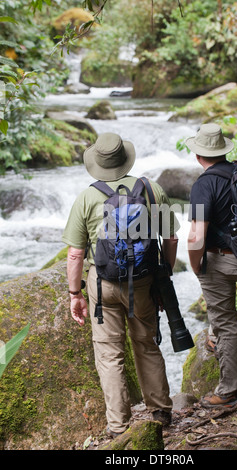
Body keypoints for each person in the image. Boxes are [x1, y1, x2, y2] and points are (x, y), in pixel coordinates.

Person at [62, 132, 178, 437]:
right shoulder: (150, 189)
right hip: (142, 281)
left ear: (97, 164)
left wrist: (75, 294)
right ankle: (160, 410)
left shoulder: (87, 197)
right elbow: (171, 237)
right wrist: (162, 274)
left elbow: (75, 253)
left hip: (102, 285)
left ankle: (119, 426)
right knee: (146, 343)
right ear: (125, 159)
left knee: (109, 353)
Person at [186, 123, 237, 408]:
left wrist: (196, 266)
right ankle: (215, 337)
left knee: (227, 322)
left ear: (198, 156)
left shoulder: (204, 184)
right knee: (223, 314)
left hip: (222, 260)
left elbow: (196, 236)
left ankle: (230, 392)